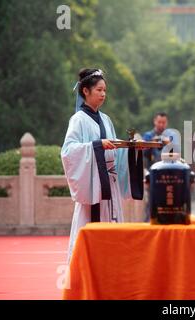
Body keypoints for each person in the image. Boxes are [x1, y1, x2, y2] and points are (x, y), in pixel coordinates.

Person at [61, 68, 144, 262]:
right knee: (90, 224)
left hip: (110, 185)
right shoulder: (78, 120)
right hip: (93, 186)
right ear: (85, 92)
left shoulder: (106, 119)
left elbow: (115, 149)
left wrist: (132, 149)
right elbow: (68, 151)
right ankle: (87, 268)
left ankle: (112, 266)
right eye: (99, 90)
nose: (103, 94)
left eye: (105, 90)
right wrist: (96, 146)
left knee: (112, 224)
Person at [142, 112, 179, 221]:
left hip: (169, 174)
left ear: (166, 123)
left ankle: (169, 221)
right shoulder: (148, 136)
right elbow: (143, 153)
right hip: (152, 173)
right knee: (152, 200)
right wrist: (152, 143)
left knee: (169, 199)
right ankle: (149, 221)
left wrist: (168, 143)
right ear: (155, 121)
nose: (161, 125)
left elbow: (176, 152)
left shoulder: (171, 136)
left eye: (163, 122)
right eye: (159, 122)